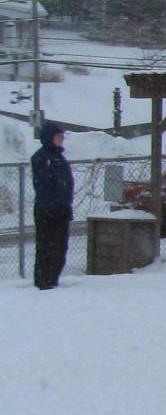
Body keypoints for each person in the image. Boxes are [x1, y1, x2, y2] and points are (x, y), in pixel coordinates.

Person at [30, 121, 74, 290]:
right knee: (48, 246)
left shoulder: (59, 157)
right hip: (48, 209)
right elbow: (43, 184)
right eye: (57, 136)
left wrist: (65, 205)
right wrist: (50, 207)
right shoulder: (42, 157)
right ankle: (44, 280)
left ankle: (53, 278)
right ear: (49, 137)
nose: (60, 139)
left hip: (62, 207)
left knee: (60, 246)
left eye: (61, 136)